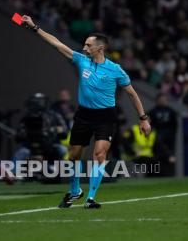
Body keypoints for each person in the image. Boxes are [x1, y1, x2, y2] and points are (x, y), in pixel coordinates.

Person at [20, 15, 151, 209]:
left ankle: (91, 197)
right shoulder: (81, 61)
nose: (84, 48)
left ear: (100, 47)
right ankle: (75, 191)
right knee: (73, 155)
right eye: (84, 45)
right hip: (84, 115)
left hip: (105, 116)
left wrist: (143, 118)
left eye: (88, 45)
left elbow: (132, 94)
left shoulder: (116, 70)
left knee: (99, 154)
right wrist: (34, 27)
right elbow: (57, 44)